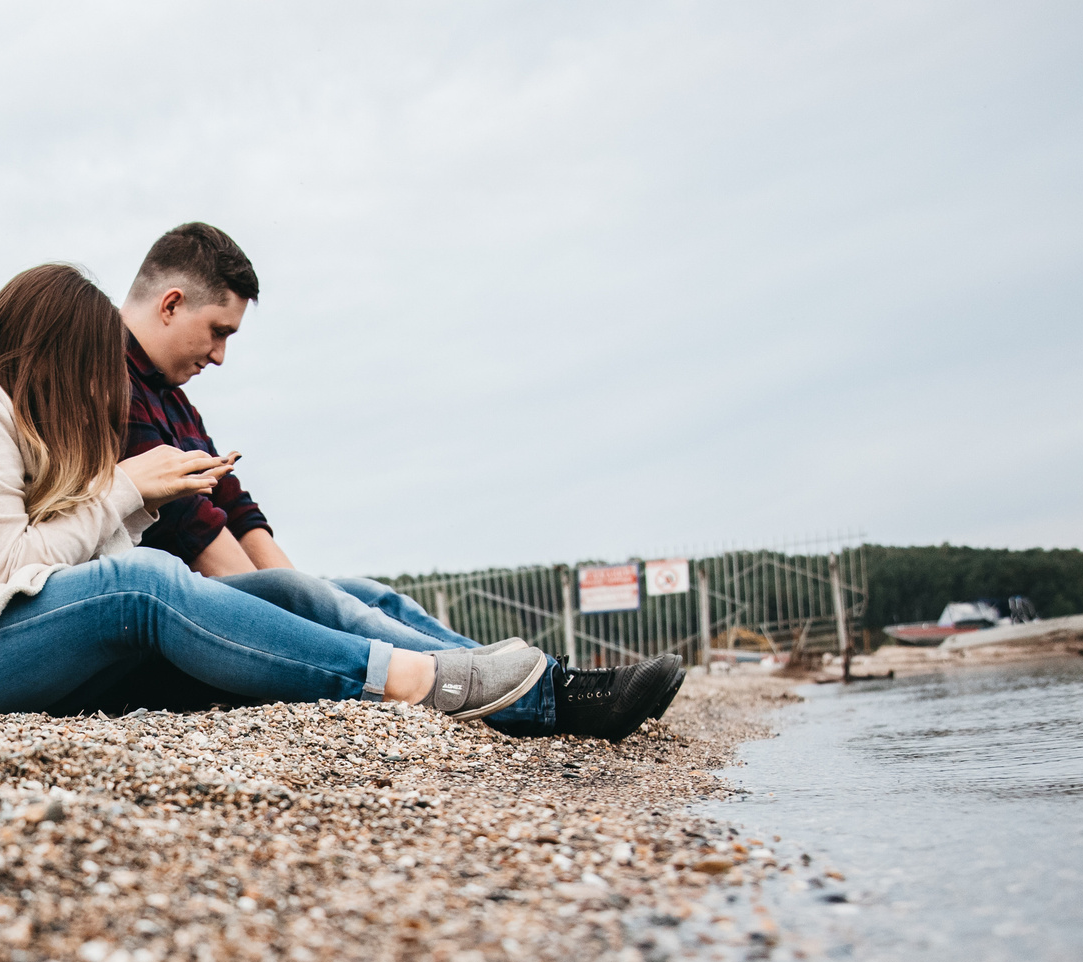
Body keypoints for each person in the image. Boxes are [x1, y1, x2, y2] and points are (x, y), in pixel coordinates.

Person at [0, 264, 551, 722]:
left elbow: (72, 563)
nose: (99, 386)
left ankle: (529, 687)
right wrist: (125, 487)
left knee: (276, 594)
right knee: (146, 588)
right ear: (53, 356)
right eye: (92, 366)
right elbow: (10, 569)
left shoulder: (15, 434)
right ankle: (415, 680)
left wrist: (134, 499)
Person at [117, 222, 682, 741]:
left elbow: (235, 510)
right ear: (171, 304)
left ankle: (529, 677)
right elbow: (193, 530)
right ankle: (543, 699)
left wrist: (310, 595)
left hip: (205, 599)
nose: (219, 355)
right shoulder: (108, 379)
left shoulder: (171, 398)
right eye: (218, 332)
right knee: (312, 599)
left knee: (367, 596)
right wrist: (295, 610)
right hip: (180, 623)